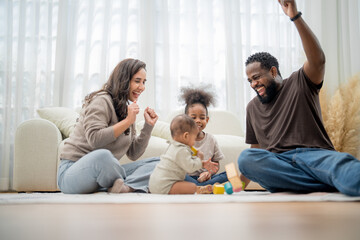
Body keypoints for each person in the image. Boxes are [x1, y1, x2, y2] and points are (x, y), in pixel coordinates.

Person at [238, 0, 360, 196]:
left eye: (256, 77)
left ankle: (320, 181)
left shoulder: (299, 81)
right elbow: (256, 150)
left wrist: (295, 17)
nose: (253, 84)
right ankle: (326, 184)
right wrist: (235, 187)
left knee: (344, 167)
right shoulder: (252, 108)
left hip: (316, 156)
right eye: (249, 81)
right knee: (246, 159)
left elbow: (318, 60)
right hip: (280, 165)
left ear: (272, 71)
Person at [58, 58, 159, 194]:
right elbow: (95, 139)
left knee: (162, 163)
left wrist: (148, 126)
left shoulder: (125, 109)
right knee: (103, 157)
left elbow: (134, 154)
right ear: (124, 80)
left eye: (143, 82)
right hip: (72, 172)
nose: (142, 87)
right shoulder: (101, 100)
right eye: (137, 81)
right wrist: (128, 121)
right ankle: (127, 182)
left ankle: (123, 187)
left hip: (106, 173)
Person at [149, 114, 218, 194]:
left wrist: (202, 164)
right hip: (165, 186)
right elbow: (190, 167)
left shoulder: (173, 146)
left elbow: (186, 162)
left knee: (184, 183)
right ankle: (200, 190)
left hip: (154, 183)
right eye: (194, 138)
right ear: (186, 136)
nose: (194, 141)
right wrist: (199, 158)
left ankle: (199, 188)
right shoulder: (181, 150)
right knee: (192, 187)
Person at [179, 86, 228, 185]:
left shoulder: (211, 139)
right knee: (176, 175)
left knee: (227, 174)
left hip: (206, 178)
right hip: (188, 177)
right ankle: (202, 187)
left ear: (207, 119)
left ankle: (199, 187)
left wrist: (208, 173)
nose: (198, 121)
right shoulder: (182, 139)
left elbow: (216, 164)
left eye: (202, 117)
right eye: (193, 117)